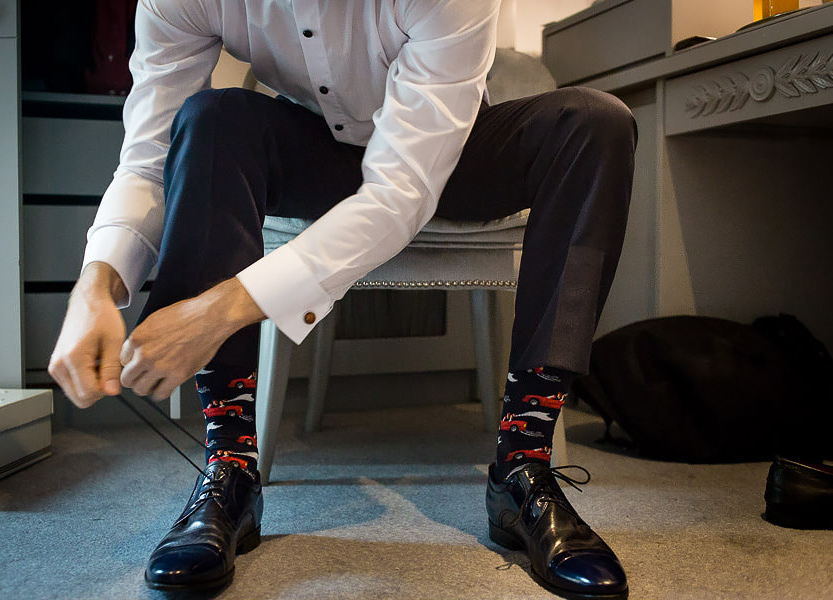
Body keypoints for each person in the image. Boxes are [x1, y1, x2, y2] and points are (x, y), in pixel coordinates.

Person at [48, 2, 637, 598]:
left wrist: (217, 310)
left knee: (596, 123)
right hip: (317, 147)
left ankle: (522, 464)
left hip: (445, 153)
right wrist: (94, 285)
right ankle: (230, 468)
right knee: (211, 119)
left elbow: (399, 190)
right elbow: (149, 154)